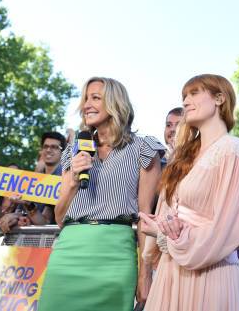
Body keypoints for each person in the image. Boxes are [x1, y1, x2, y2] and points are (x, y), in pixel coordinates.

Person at [37, 77, 164, 311]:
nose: (86, 104)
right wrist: (74, 182)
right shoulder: (72, 153)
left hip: (115, 255)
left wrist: (144, 274)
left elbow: (146, 216)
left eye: (95, 97)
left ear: (116, 103)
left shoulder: (143, 148)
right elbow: (59, 217)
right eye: (86, 98)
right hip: (68, 254)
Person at [139, 74, 239, 311]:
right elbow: (167, 216)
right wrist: (158, 227)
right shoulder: (183, 157)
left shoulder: (232, 149)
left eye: (194, 93)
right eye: (184, 96)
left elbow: (230, 229)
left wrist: (166, 236)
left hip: (211, 273)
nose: (185, 102)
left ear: (220, 99)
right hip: (171, 272)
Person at [0, 132, 67, 232]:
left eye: (54, 147)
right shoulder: (30, 180)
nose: (48, 150)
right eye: (45, 146)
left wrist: (28, 204)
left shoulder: (64, 179)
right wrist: (14, 216)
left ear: (62, 153)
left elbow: (44, 221)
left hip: (54, 240)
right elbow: (20, 213)